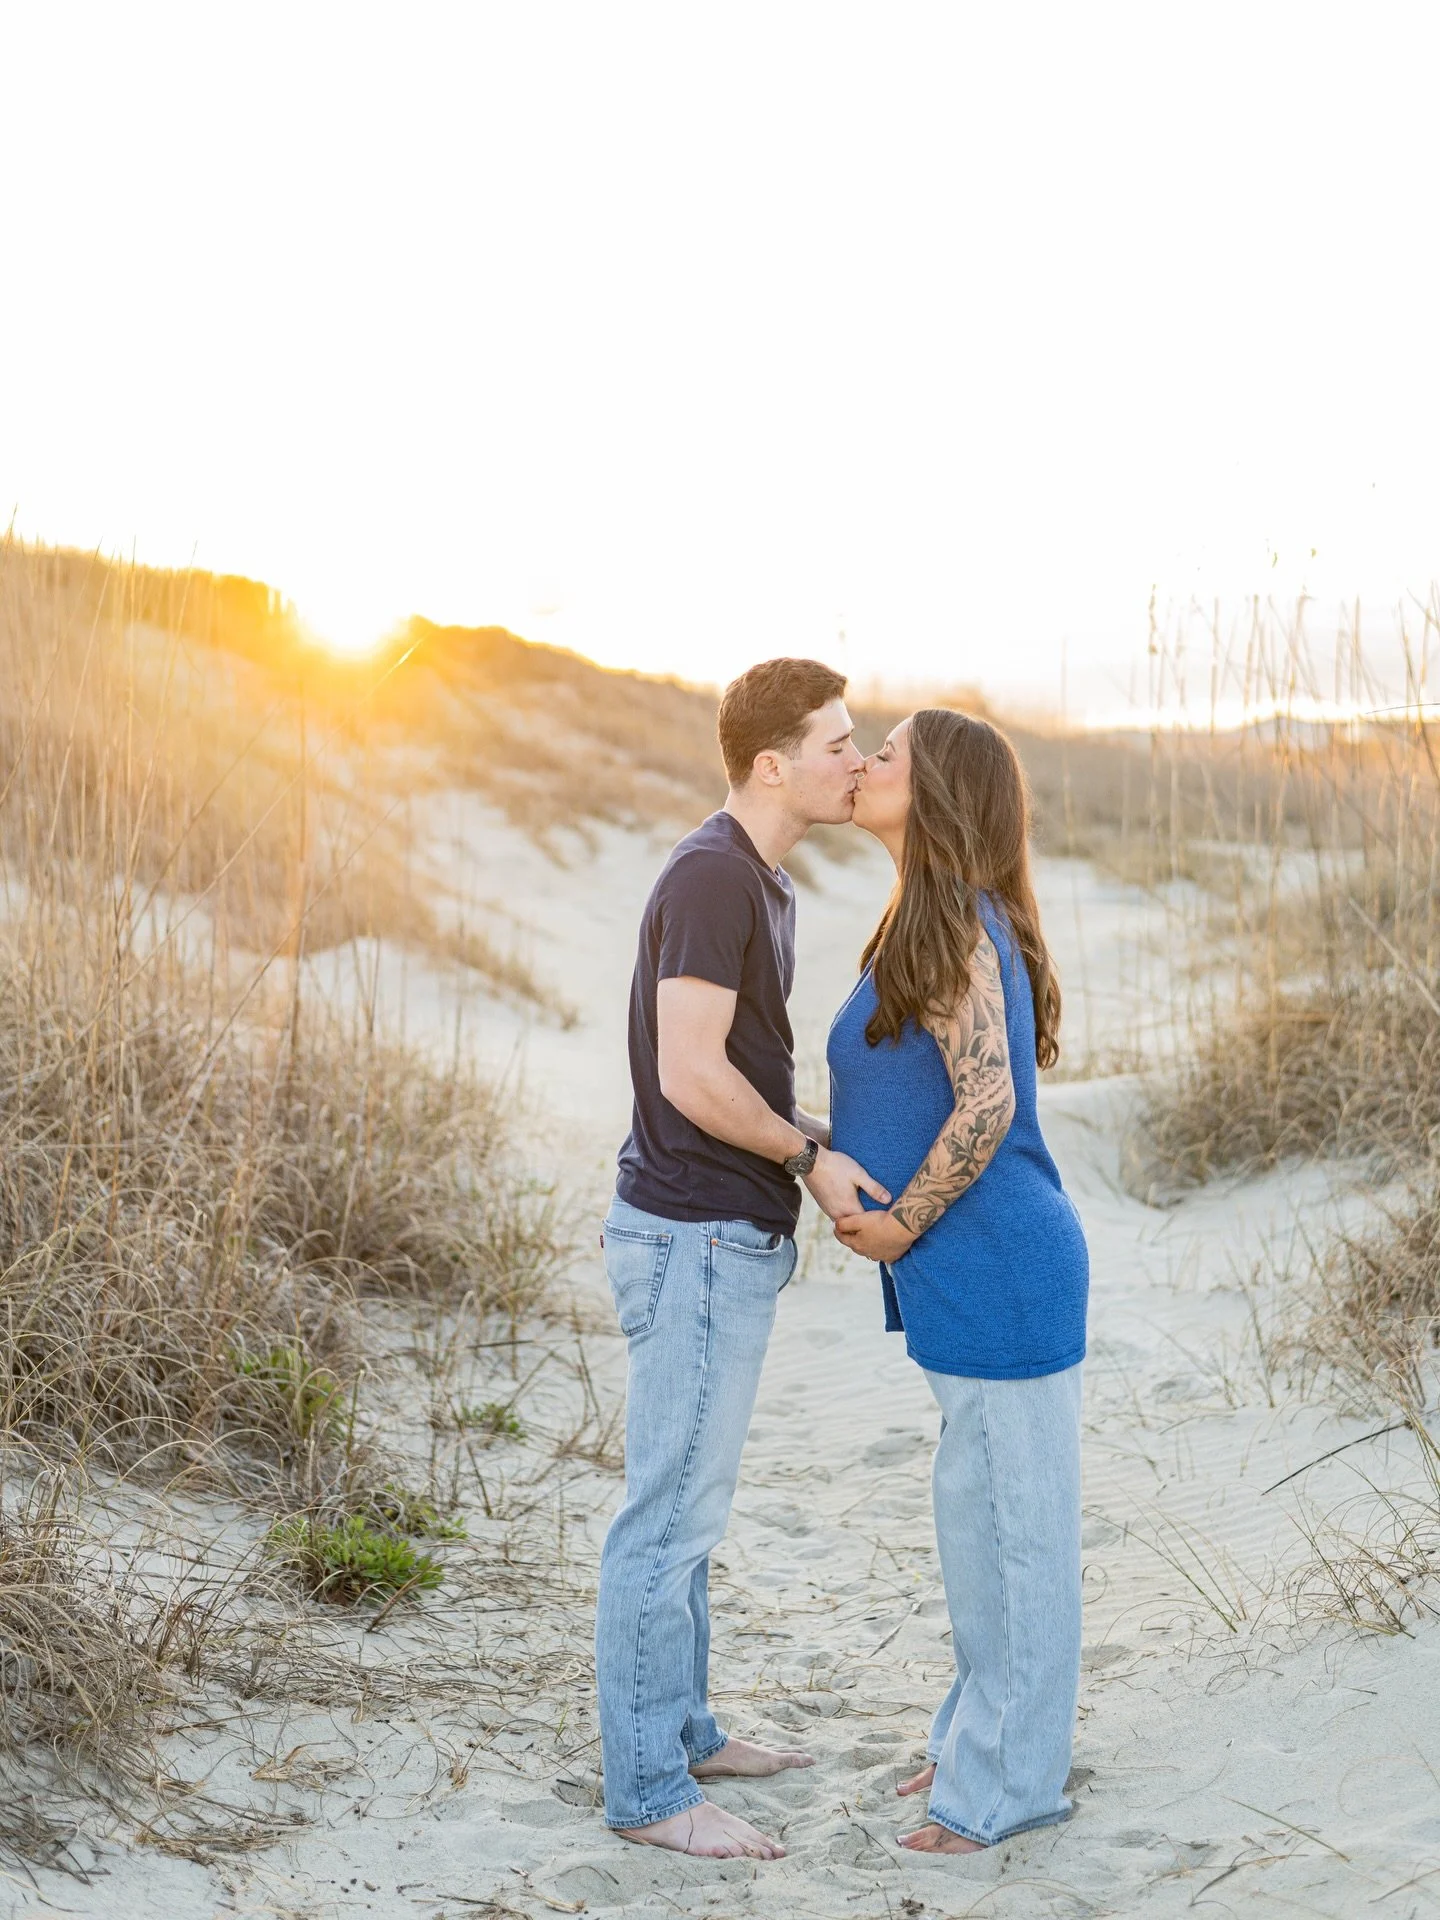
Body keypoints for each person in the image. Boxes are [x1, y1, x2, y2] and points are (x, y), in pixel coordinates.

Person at [594, 657, 890, 1860]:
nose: (856, 760)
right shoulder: (718, 876)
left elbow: (743, 1070)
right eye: (837, 742)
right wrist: (806, 1159)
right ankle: (650, 1793)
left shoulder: (757, 879)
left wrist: (809, 1139)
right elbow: (692, 1075)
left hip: (722, 1228)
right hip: (691, 1234)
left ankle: (689, 1731)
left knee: (691, 1511)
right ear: (772, 763)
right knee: (664, 1519)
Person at [827, 707, 1090, 1854]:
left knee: (1019, 1539)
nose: (867, 764)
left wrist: (897, 1227)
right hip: (965, 1274)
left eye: (887, 752)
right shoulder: (923, 922)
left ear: (934, 789)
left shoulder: (963, 931)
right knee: (974, 1525)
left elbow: (986, 1106)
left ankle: (1008, 1787)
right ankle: (975, 1739)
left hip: (1003, 1266)